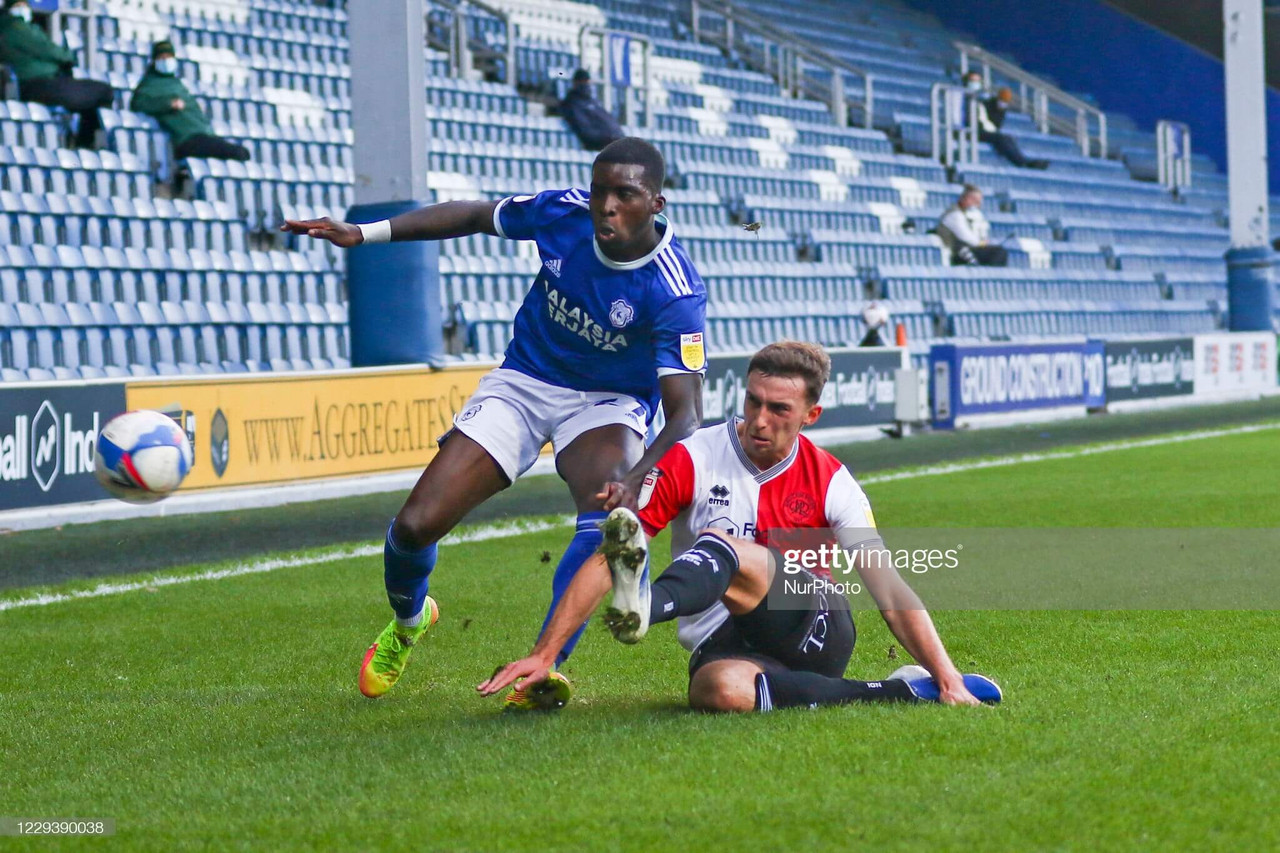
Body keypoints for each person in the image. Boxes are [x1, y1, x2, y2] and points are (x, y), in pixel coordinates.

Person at [281, 137, 707, 710]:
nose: (606, 206)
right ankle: (410, 622)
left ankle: (543, 665)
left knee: (607, 512)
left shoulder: (675, 290)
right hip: (525, 380)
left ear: (656, 204)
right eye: (601, 190)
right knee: (414, 526)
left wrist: (637, 479)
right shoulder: (563, 212)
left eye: (624, 195)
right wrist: (366, 232)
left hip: (607, 401)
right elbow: (478, 215)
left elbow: (686, 413)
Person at [479, 341, 1001, 712]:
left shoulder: (832, 481)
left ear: (810, 415)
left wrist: (950, 672)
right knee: (718, 692)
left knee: (727, 548)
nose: (759, 420)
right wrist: (545, 654)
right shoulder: (692, 457)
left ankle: (647, 607)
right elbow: (613, 553)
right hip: (727, 643)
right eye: (753, 401)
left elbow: (889, 589)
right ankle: (898, 693)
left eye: (779, 409)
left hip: (813, 627)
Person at [0, 0, 113, 148]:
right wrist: (66, 57)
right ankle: (83, 146)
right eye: (20, 5)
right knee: (102, 92)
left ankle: (81, 145)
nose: (25, 9)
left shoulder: (17, 28)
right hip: (37, 84)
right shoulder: (16, 28)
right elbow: (49, 50)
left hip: (41, 82)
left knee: (95, 98)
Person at [129, 40, 249, 162]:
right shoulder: (149, 84)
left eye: (169, 57)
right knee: (238, 153)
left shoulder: (177, 84)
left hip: (203, 135)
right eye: (162, 57)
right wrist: (168, 103)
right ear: (154, 61)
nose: (166, 61)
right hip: (187, 139)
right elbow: (138, 104)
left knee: (242, 153)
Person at [963, 72, 1049, 170]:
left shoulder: (982, 100)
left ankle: (1024, 161)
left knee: (1007, 138)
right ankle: (1022, 162)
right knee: (1001, 138)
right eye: (973, 81)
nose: (976, 83)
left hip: (983, 130)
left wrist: (1000, 107)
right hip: (970, 130)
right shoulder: (961, 96)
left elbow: (994, 121)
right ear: (966, 82)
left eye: (978, 81)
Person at [936, 184, 1008, 267]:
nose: (978, 204)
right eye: (975, 200)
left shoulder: (970, 214)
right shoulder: (954, 214)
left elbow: (980, 236)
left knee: (998, 252)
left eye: (979, 201)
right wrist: (983, 243)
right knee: (998, 253)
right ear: (965, 199)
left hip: (968, 250)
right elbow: (970, 239)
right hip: (957, 253)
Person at [560, 68, 624, 151]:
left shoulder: (593, 102)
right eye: (582, 81)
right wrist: (608, 138)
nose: (585, 84)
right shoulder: (572, 104)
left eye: (586, 81)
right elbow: (586, 130)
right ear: (575, 83)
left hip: (614, 142)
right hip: (602, 145)